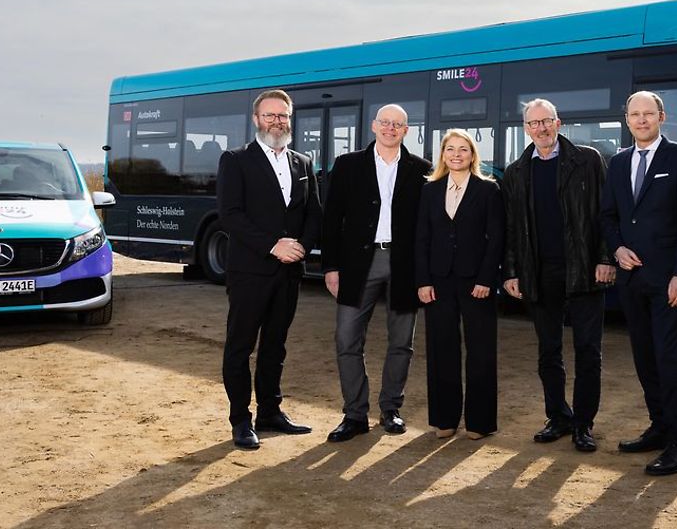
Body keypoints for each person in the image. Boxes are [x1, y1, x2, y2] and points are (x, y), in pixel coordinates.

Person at [599, 91, 677, 476]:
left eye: (648, 113)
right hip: (631, 279)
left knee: (668, 358)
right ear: (626, 119)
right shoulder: (619, 162)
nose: (641, 120)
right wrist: (617, 249)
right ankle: (659, 428)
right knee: (644, 357)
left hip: (668, 280)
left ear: (662, 116)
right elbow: (608, 216)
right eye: (634, 114)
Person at [502, 98, 614, 453]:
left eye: (546, 121)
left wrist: (605, 257)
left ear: (558, 123)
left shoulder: (588, 160)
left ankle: (584, 423)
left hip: (584, 268)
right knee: (548, 351)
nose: (541, 128)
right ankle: (558, 416)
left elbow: (605, 213)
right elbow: (510, 228)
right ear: (525, 129)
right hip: (540, 272)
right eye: (533, 123)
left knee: (588, 351)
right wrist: (512, 272)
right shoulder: (516, 172)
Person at [216, 89, 322, 450]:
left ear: (290, 119)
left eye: (283, 115)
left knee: (275, 346)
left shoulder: (303, 162)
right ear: (256, 119)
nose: (277, 121)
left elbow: (313, 213)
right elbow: (230, 215)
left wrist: (301, 246)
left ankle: (270, 413)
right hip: (250, 271)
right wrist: (272, 245)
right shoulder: (235, 160)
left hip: (289, 273)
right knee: (240, 347)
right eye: (270, 115)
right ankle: (241, 420)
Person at [321, 105, 431, 442]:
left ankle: (390, 409)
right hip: (357, 264)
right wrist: (331, 267)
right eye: (385, 122)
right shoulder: (348, 165)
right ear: (373, 126)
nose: (390, 129)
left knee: (402, 342)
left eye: (397, 124)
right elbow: (331, 219)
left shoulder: (422, 170)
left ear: (406, 130)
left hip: (403, 263)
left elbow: (428, 226)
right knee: (347, 339)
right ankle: (354, 414)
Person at [415, 129, 504, 440]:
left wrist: (485, 280)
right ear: (442, 155)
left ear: (472, 155)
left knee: (480, 351)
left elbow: (496, 241)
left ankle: (480, 422)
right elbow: (421, 239)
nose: (456, 154)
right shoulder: (429, 191)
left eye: (463, 149)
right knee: (442, 350)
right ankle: (444, 419)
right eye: (450, 149)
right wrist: (423, 280)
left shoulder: (488, 190)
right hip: (438, 281)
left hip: (475, 282)